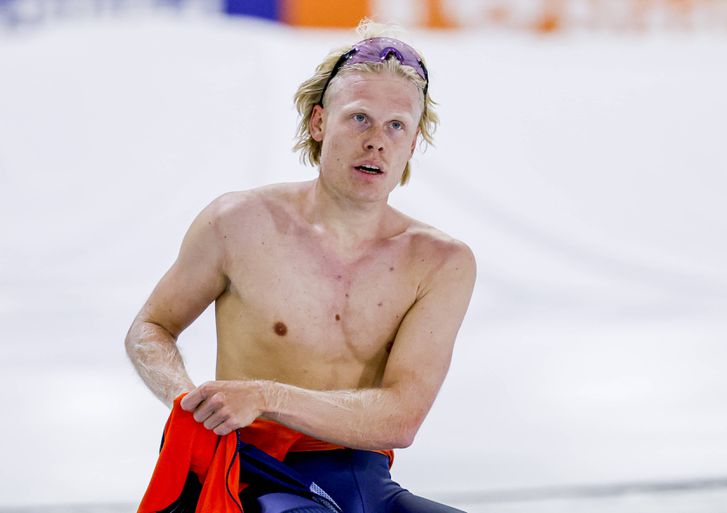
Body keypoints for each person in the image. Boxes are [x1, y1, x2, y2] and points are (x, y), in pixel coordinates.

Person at [125, 19, 476, 513]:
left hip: (364, 479)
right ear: (317, 123)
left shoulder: (441, 261)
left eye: (396, 125)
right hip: (255, 474)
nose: (377, 140)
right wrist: (190, 404)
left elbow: (402, 419)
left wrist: (264, 395)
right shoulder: (238, 223)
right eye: (359, 118)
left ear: (413, 144)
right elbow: (151, 328)